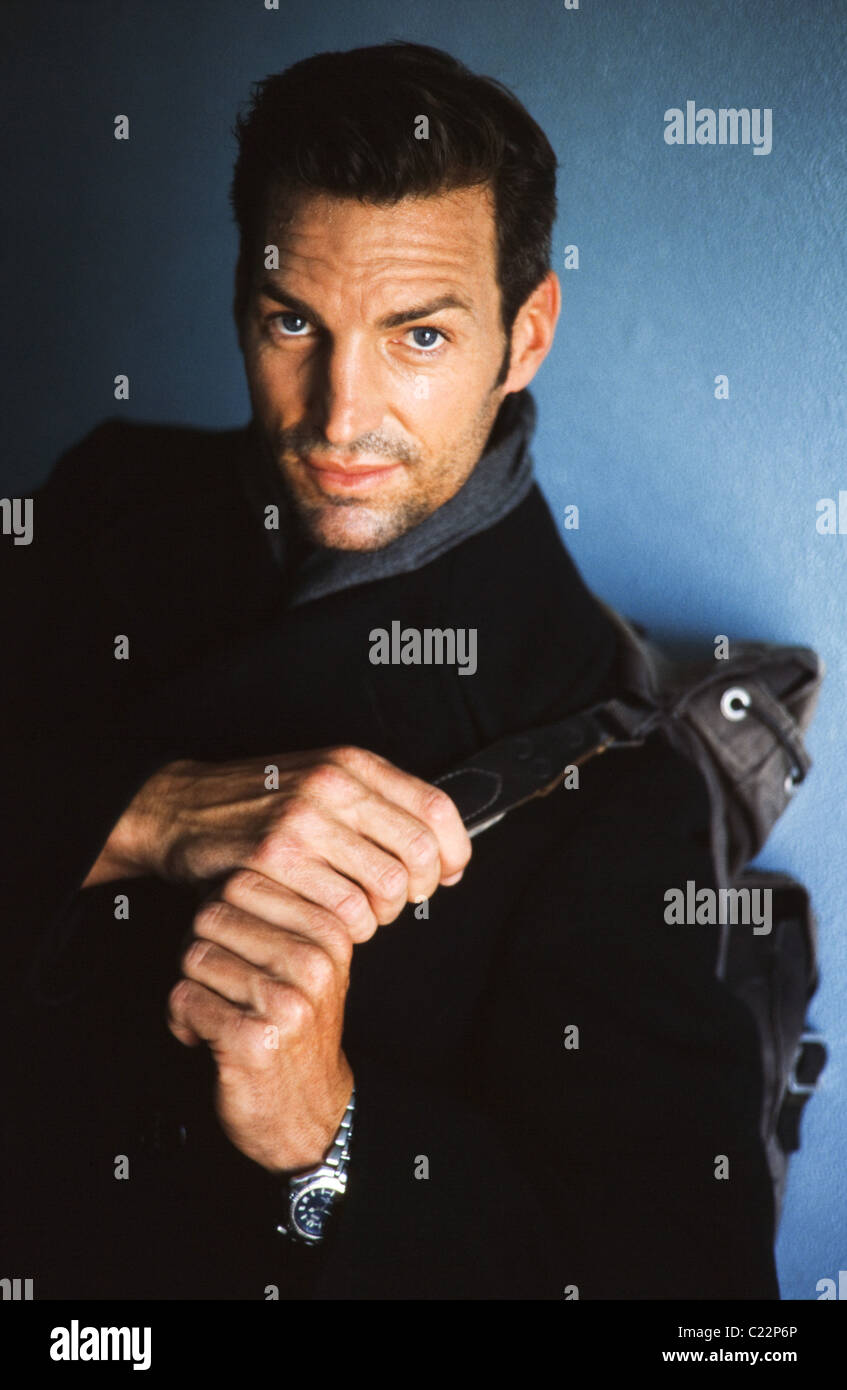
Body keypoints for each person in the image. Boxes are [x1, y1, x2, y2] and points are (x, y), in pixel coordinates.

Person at [1, 40, 778, 1300]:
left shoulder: (618, 777)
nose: (335, 414)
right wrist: (143, 814)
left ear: (524, 335)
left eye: (417, 334)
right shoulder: (109, 493)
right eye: (292, 322)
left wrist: (332, 1136)